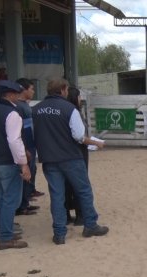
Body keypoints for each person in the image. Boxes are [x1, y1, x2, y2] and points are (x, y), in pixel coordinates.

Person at [32, 78, 108, 245]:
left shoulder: (36, 110)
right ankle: (90, 225)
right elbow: (79, 136)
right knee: (84, 191)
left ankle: (59, 233)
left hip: (49, 159)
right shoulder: (69, 108)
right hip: (70, 157)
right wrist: (96, 143)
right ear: (64, 90)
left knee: (57, 195)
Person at [0, 80, 31, 250]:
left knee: (2, 198)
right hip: (8, 161)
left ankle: (5, 231)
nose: (18, 96)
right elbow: (14, 141)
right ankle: (5, 237)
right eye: (16, 93)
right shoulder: (12, 113)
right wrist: (23, 164)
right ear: (9, 94)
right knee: (10, 200)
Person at [15, 78, 41, 216]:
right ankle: (21, 206)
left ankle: (25, 202)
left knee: (30, 173)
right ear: (23, 89)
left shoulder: (24, 105)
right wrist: (24, 148)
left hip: (30, 144)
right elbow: (19, 131)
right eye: (31, 88)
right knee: (24, 176)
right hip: (26, 146)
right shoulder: (18, 106)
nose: (33, 91)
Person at [64, 86, 88, 226]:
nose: (80, 99)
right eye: (79, 97)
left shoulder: (64, 111)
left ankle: (66, 214)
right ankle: (80, 215)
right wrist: (93, 142)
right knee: (80, 183)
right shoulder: (74, 112)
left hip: (63, 152)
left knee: (65, 184)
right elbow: (79, 136)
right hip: (77, 151)